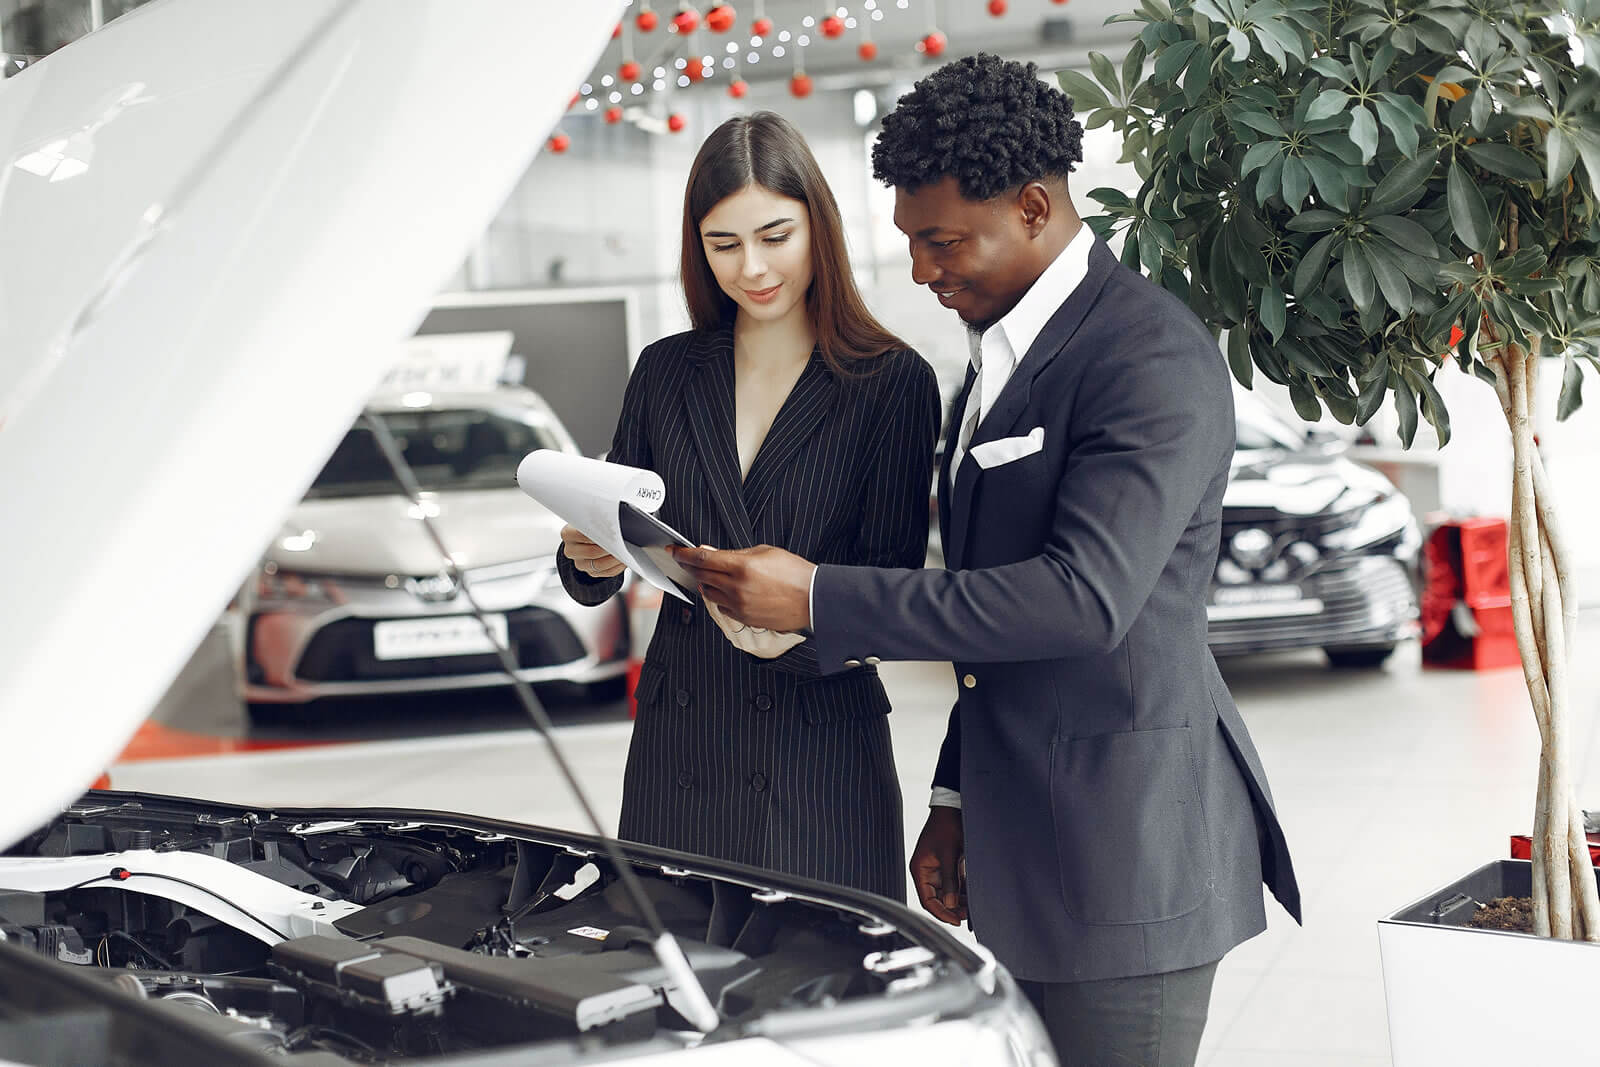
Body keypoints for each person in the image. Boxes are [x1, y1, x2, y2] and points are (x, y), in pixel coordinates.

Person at [673, 56, 1301, 1066]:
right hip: (1025, 841)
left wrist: (820, 595)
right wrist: (956, 798)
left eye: (942, 241)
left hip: (1124, 854)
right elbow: (987, 617)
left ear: (1036, 206)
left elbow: (1080, 598)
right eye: (911, 243)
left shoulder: (1147, 356)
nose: (922, 270)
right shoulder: (996, 358)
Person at [557, 111, 940, 901]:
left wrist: (786, 632)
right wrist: (584, 557)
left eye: (775, 235)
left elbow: (889, 590)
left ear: (818, 228)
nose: (752, 268)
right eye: (723, 245)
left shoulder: (890, 382)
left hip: (817, 750)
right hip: (682, 746)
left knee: (826, 999)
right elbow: (616, 542)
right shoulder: (666, 371)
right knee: (682, 999)